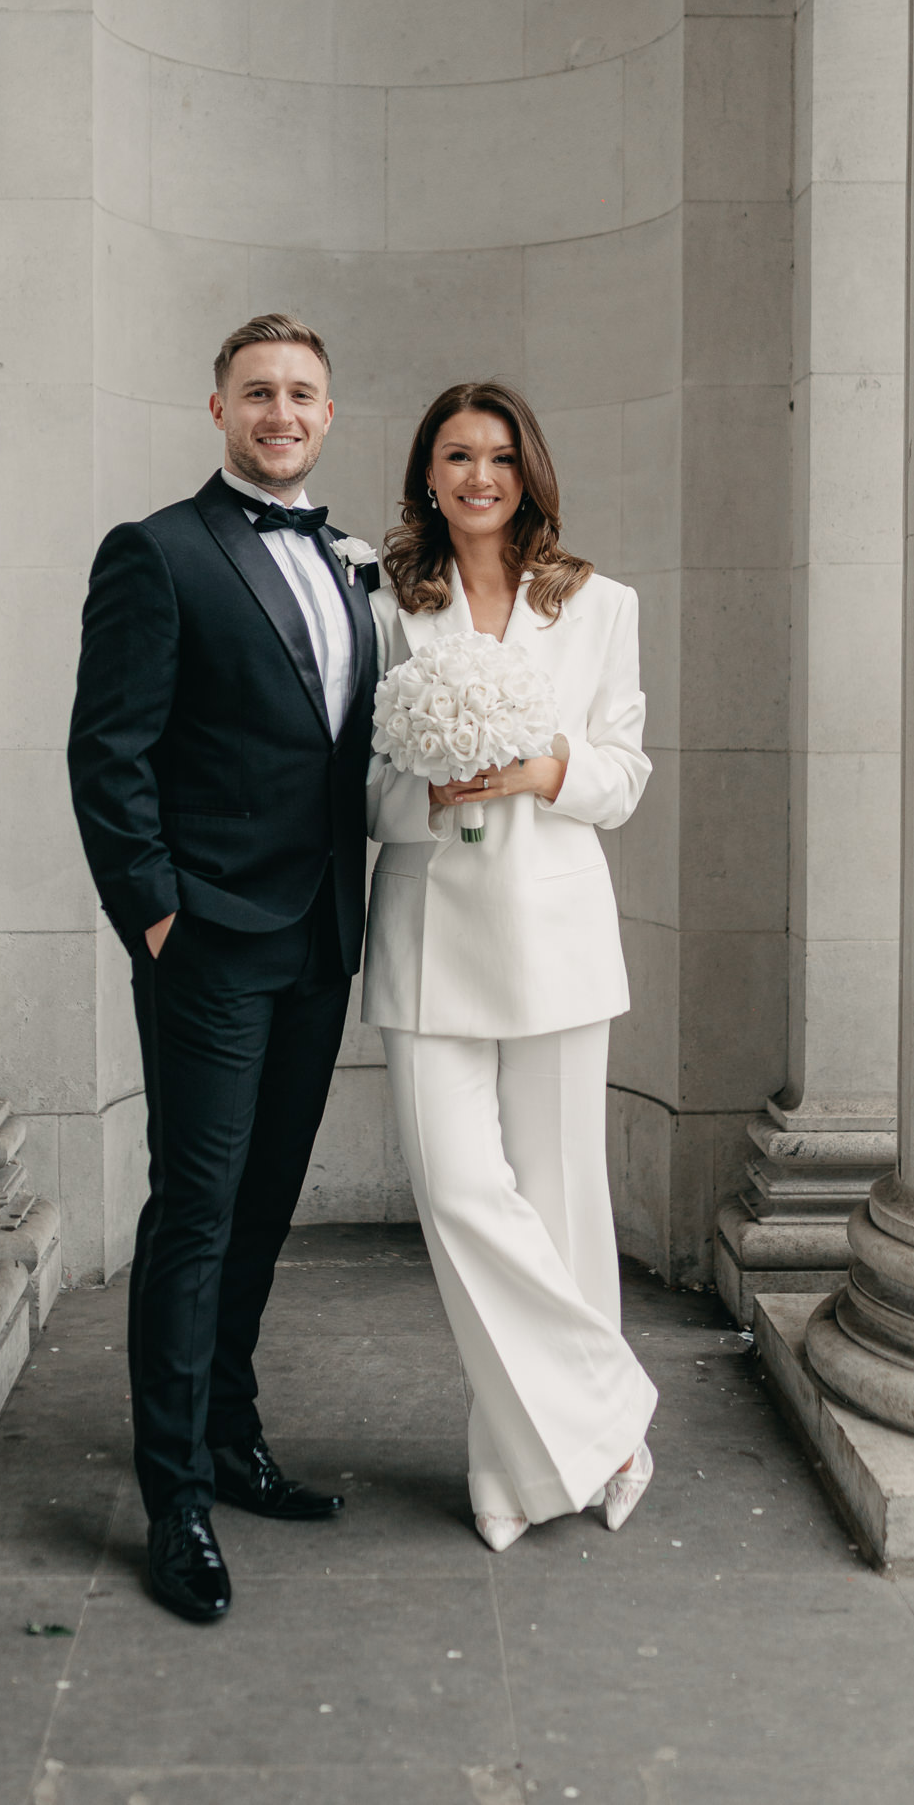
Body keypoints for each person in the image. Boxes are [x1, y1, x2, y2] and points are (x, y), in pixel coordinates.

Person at [67, 313, 378, 1624]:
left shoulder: (355, 558)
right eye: (259, 391)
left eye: (303, 391)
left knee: (262, 1206)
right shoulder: (160, 552)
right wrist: (155, 918)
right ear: (219, 409)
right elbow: (107, 751)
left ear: (326, 410)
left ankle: (235, 1437)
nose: (283, 409)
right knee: (193, 1211)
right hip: (206, 942)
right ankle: (175, 1493)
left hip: (317, 936)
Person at [363, 383, 657, 1551]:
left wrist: (541, 771)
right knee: (457, 1192)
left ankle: (521, 1467)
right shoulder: (383, 604)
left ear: (527, 471)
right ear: (426, 477)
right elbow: (358, 784)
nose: (477, 476)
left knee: (560, 1197)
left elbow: (623, 778)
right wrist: (419, 789)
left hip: (555, 936)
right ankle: (612, 1414)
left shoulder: (599, 605)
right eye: (453, 456)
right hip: (429, 930)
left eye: (496, 456)